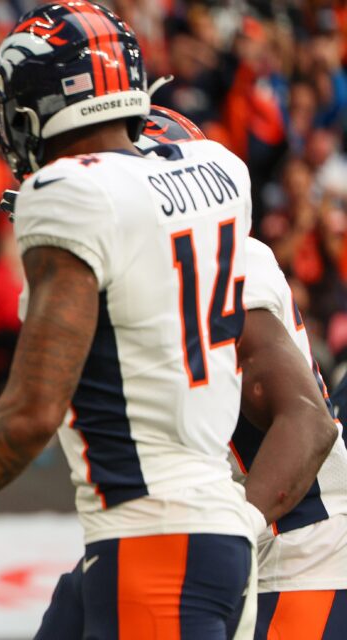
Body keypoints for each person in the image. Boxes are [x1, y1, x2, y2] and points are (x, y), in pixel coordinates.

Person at [0, 3, 270, 637]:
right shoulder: (220, 168)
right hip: (212, 523)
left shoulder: (71, 195)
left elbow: (31, 413)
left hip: (152, 535)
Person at [135, 107, 347, 639]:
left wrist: (229, 537)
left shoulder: (216, 259)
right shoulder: (143, 278)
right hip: (243, 554)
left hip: (298, 554)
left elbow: (307, 423)